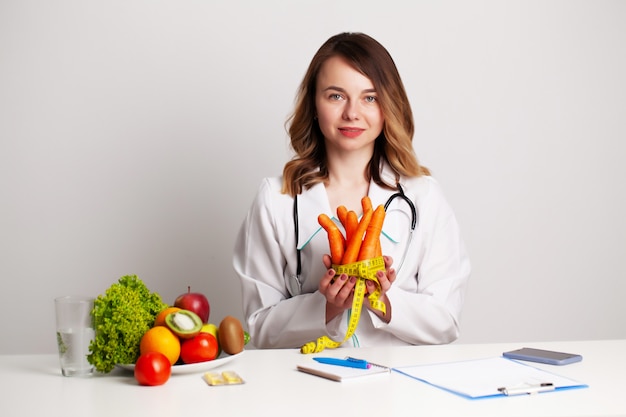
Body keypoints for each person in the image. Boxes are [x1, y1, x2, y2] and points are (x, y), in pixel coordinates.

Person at [233, 32, 470, 350]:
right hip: (304, 387)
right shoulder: (276, 198)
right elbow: (258, 328)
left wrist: (383, 302)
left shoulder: (423, 196)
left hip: (399, 391)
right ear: (314, 105)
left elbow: (447, 322)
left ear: (388, 107)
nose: (352, 113)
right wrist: (327, 306)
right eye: (335, 96)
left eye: (370, 98)